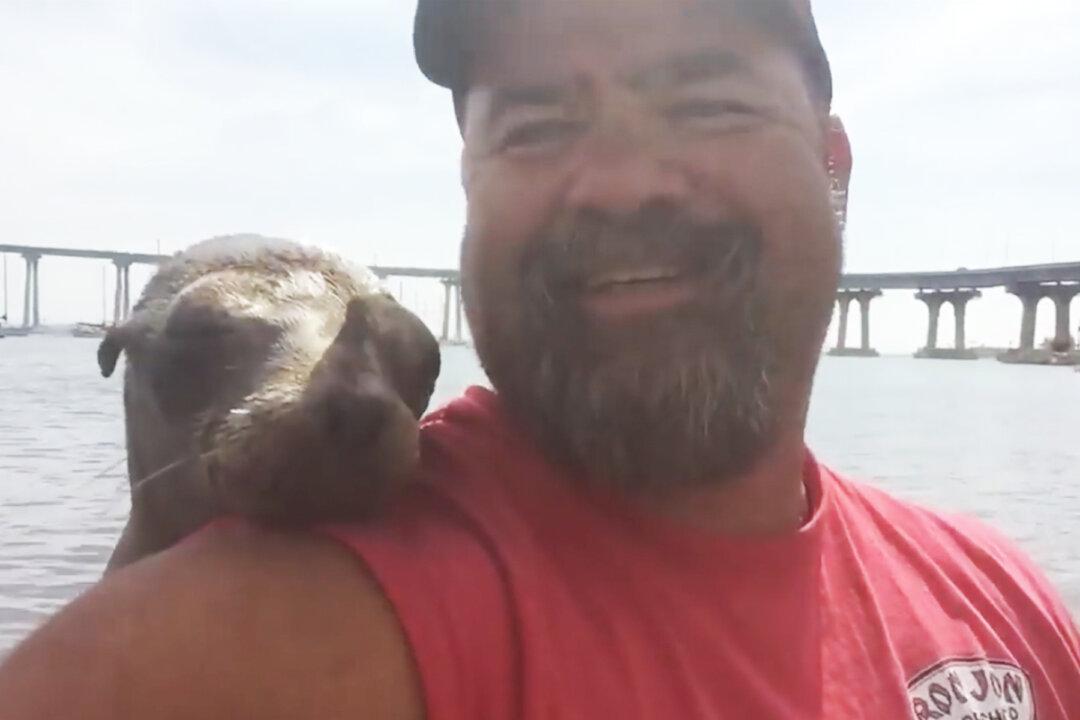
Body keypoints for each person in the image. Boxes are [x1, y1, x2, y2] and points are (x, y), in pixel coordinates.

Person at [2, 0, 1079, 717]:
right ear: (469, 192)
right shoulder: (247, 635)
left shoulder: (1004, 597)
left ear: (832, 168)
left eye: (705, 103)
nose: (618, 180)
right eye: (533, 125)